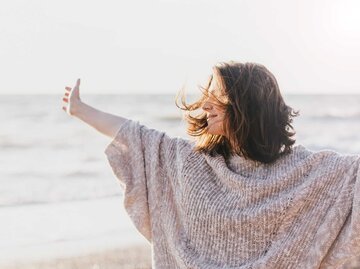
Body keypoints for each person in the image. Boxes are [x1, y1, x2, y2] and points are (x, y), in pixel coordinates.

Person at [62, 61, 360, 269]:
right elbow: (134, 136)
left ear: (247, 106)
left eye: (217, 98)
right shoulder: (192, 163)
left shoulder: (307, 171)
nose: (205, 106)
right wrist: (80, 110)